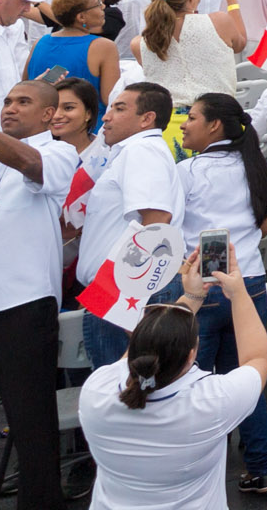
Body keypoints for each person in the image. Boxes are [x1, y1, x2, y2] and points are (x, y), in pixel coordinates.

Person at [0, 75, 81, 510]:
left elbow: (29, 165)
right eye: (6, 101)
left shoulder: (59, 152)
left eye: (22, 101)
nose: (9, 107)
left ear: (48, 115)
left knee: (32, 431)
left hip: (21, 310)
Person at [77, 245, 267, 510]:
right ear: (192, 354)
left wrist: (191, 297)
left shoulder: (96, 391)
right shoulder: (211, 402)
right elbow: (258, 358)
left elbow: (139, 349)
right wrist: (238, 292)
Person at [174, 91, 267, 494]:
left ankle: (196, 476)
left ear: (214, 125)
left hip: (200, 288)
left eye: (192, 116)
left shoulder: (188, 172)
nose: (184, 123)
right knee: (246, 379)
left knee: (190, 387)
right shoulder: (261, 168)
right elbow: (265, 226)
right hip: (248, 284)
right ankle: (261, 468)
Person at [77, 81, 183, 367]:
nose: (106, 117)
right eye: (110, 107)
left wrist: (123, 300)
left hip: (122, 291)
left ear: (146, 119)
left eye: (119, 108)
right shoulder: (135, 151)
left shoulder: (141, 151)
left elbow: (156, 221)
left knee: (123, 394)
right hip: (118, 289)